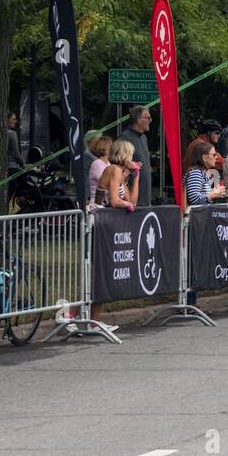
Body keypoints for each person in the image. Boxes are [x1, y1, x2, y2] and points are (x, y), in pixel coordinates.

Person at [90, 139, 142, 331]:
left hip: (107, 224)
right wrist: (127, 205)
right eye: (131, 155)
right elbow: (114, 201)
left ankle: (93, 319)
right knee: (98, 273)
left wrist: (136, 176)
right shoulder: (113, 170)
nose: (133, 159)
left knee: (101, 274)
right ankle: (85, 317)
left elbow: (132, 200)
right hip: (99, 223)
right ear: (124, 155)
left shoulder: (121, 174)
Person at [117, 105, 153, 206]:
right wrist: (128, 163)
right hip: (131, 198)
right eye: (147, 117)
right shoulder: (125, 137)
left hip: (145, 197)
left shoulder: (144, 138)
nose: (150, 120)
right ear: (138, 120)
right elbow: (117, 162)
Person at [185, 142, 227, 206]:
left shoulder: (201, 172)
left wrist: (215, 192)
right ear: (204, 158)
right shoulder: (196, 172)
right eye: (214, 155)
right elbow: (194, 199)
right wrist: (214, 194)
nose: (216, 157)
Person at [86, 134, 112, 205]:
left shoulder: (108, 163)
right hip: (97, 204)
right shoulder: (97, 163)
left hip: (105, 203)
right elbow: (107, 182)